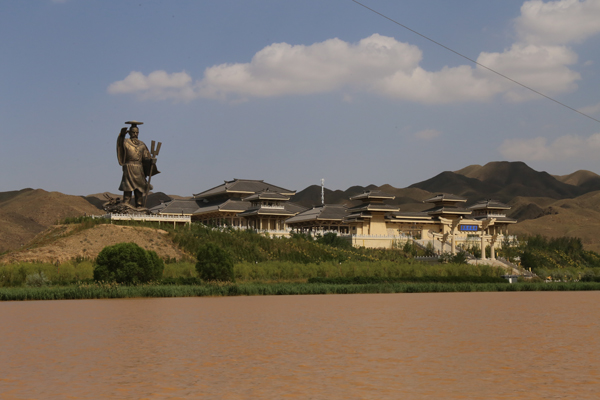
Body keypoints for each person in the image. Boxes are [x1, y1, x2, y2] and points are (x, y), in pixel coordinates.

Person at [116, 122, 158, 208]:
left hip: (139, 169)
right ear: (130, 133)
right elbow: (119, 144)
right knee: (127, 188)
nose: (135, 134)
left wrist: (151, 161)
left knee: (139, 189)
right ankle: (126, 204)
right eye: (133, 132)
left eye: (136, 132)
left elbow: (145, 157)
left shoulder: (142, 144)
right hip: (129, 168)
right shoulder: (126, 142)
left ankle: (139, 205)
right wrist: (122, 135)